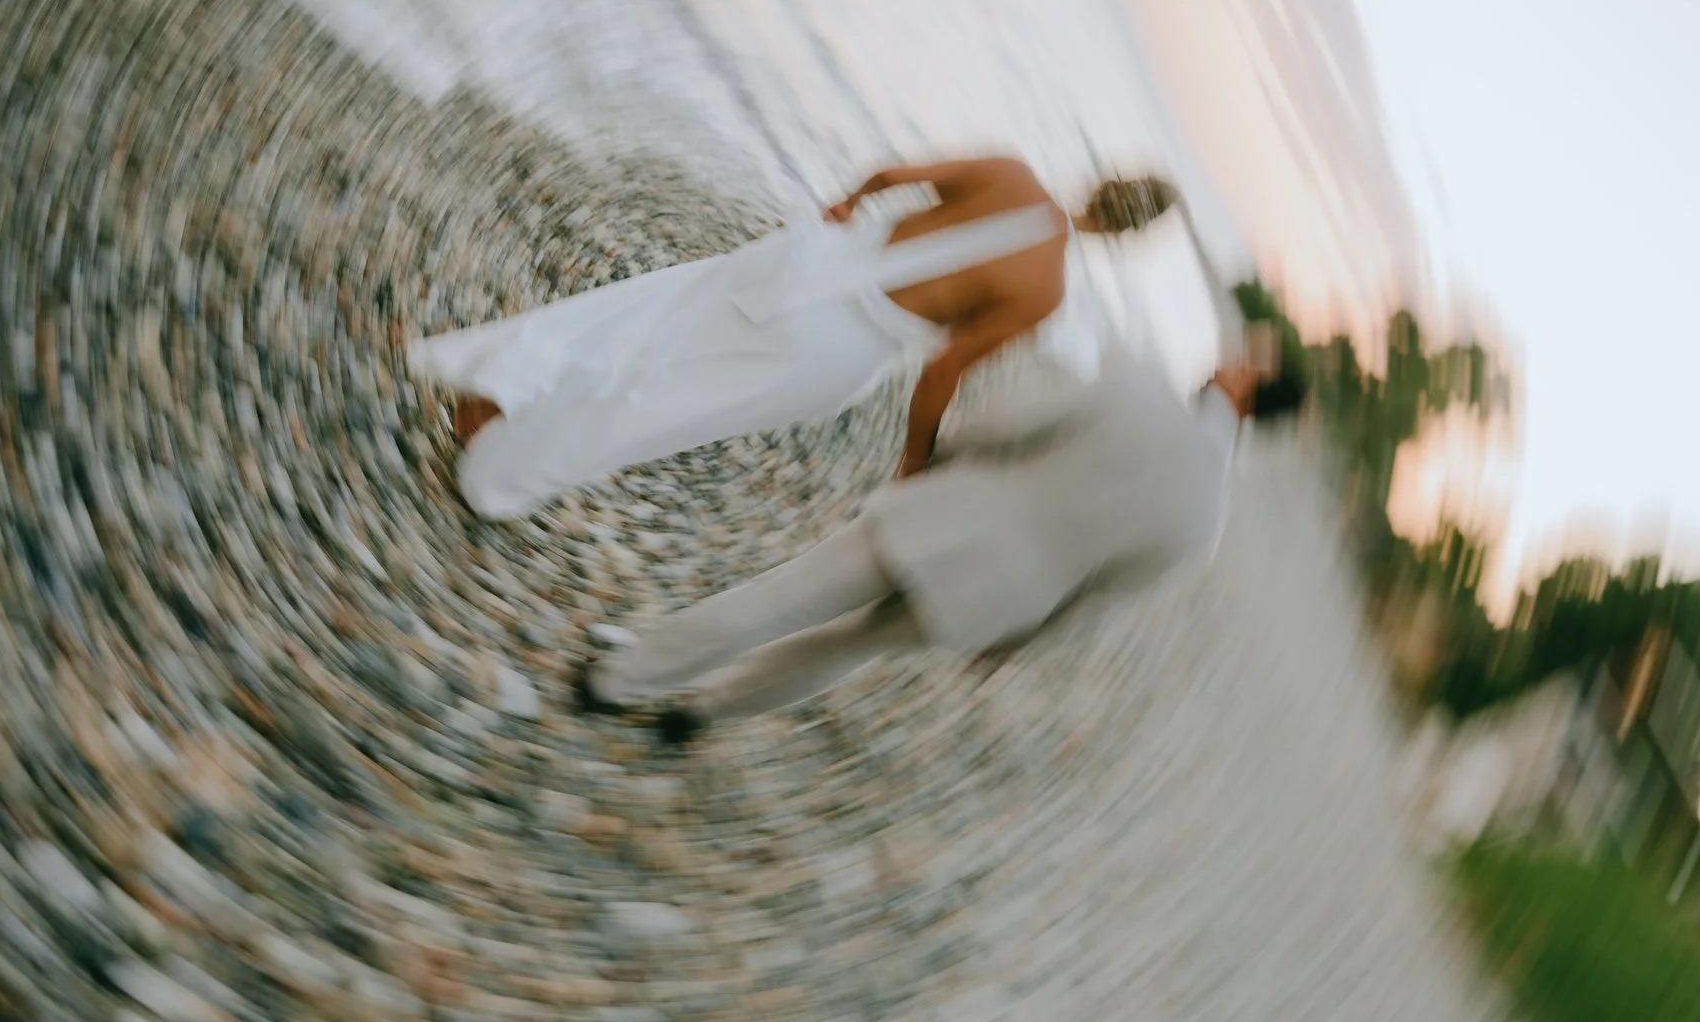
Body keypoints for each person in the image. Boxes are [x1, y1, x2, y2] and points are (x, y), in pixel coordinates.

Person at [576, 329, 1309, 742]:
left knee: (787, 598)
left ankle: (623, 677)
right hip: (1000, 600)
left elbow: (1004, 426)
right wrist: (1011, 645)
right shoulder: (1203, 526)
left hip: (951, 522)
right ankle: (703, 711)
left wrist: (936, 449)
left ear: (1248, 385)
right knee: (845, 648)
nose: (1230, 357)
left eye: (1247, 358)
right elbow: (1094, 602)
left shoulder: (1139, 386)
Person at [409, 158, 1181, 518]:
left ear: (1101, 180)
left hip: (810, 268)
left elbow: (888, 175)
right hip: (836, 353)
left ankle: (497, 387)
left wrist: (841, 209)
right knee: (671, 405)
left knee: (649, 317)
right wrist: (914, 457)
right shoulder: (1045, 290)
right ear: (1125, 236)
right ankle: (500, 471)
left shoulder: (1011, 174)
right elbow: (942, 369)